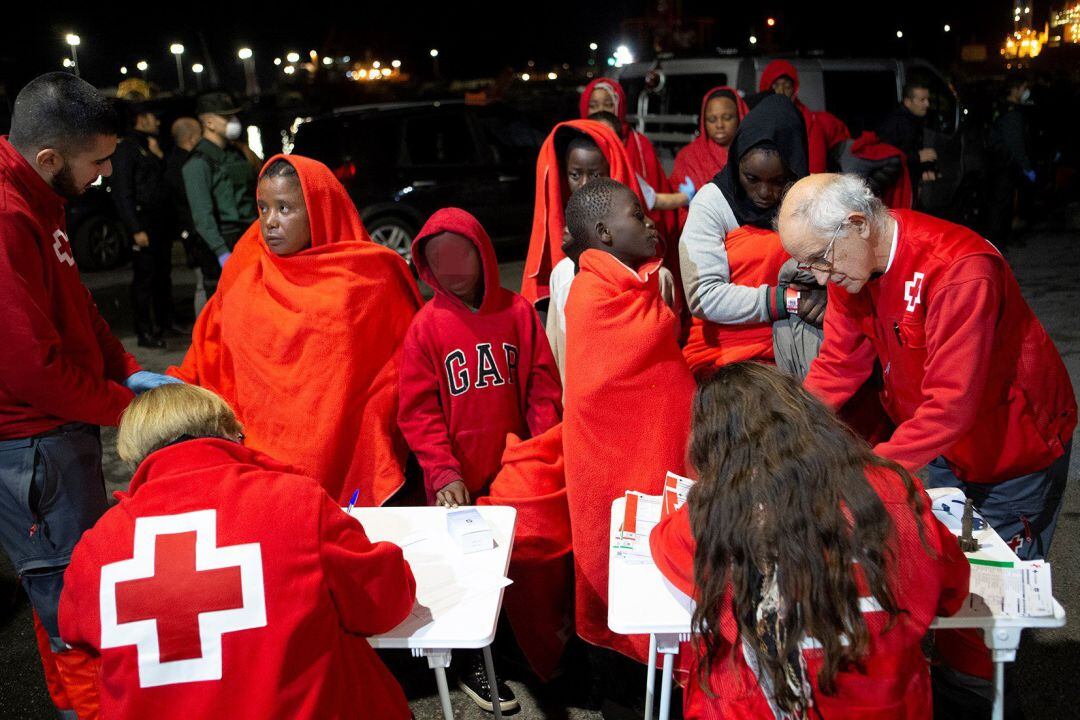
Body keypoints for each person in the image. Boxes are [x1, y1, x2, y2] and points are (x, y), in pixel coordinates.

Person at [57, 383, 416, 719]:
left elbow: (79, 659)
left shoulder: (94, 548)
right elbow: (382, 603)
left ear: (135, 457)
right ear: (229, 432)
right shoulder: (294, 502)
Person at [0, 72, 178, 718]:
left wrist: (127, 368)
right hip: (31, 450)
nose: (106, 174)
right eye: (98, 161)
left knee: (89, 586)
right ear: (49, 158)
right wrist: (128, 407)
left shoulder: (41, 197)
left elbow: (76, 308)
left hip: (60, 435)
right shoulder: (5, 214)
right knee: (70, 606)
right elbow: (32, 368)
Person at [650, 362, 970, 719]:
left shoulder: (715, 516)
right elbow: (953, 588)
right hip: (890, 703)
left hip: (766, 707)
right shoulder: (892, 490)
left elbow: (663, 543)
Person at [170, 155, 422, 507]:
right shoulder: (245, 268)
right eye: (263, 208)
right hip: (257, 462)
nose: (270, 222)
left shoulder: (368, 278)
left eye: (285, 208)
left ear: (320, 209)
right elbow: (209, 350)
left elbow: (404, 372)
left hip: (347, 459)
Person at [397, 207, 561, 712]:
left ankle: (535, 652)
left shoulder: (515, 312)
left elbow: (541, 383)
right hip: (457, 478)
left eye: (460, 254)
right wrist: (442, 470)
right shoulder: (425, 328)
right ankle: (473, 660)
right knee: (465, 572)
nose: (451, 267)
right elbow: (418, 410)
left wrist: (538, 447)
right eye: (437, 257)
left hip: (514, 465)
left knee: (527, 561)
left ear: (483, 254)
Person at [563, 176, 696, 669]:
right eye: (636, 215)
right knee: (628, 557)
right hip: (615, 455)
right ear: (603, 232)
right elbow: (599, 387)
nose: (648, 222)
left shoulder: (633, 283)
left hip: (661, 441)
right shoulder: (593, 295)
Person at [679, 94, 826, 378]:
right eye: (752, 179)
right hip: (724, 357)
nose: (764, 193)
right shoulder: (712, 203)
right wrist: (788, 300)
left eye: (778, 181)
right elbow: (703, 296)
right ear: (737, 166)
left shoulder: (808, 200)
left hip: (794, 347)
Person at [521, 119, 647, 305]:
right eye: (575, 175)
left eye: (596, 175)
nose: (584, 184)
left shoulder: (637, 226)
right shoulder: (560, 230)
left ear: (612, 172)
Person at [110, 101, 175, 348]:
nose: (157, 122)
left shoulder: (150, 146)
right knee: (145, 280)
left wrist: (159, 158)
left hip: (160, 223)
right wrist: (135, 228)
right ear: (140, 119)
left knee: (163, 274)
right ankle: (144, 331)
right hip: (143, 223)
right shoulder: (127, 149)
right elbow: (122, 193)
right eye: (152, 117)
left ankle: (165, 321)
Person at [181, 92, 257, 298]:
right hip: (227, 241)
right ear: (208, 121)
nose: (234, 122)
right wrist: (221, 252)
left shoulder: (236, 154)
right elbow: (202, 215)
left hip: (250, 236)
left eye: (233, 115)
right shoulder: (198, 163)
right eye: (227, 117)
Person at [580, 77, 676, 236]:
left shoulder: (639, 144)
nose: (601, 110)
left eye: (608, 104)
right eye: (593, 105)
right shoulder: (575, 145)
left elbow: (653, 198)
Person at [165, 116, 209, 315]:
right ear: (193, 138)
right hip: (195, 231)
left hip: (190, 230)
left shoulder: (172, 162)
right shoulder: (188, 165)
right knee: (203, 283)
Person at [986, 75, 1036, 251]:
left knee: (1004, 203)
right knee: (1001, 204)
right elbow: (1016, 144)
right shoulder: (1011, 113)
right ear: (1015, 89)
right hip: (1005, 165)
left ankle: (1002, 239)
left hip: (1002, 163)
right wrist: (1026, 167)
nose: (1025, 91)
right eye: (1023, 87)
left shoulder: (1003, 108)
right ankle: (996, 242)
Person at [671, 86, 749, 195]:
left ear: (740, 117)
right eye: (712, 120)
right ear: (704, 121)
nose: (719, 125)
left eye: (727, 118)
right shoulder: (688, 156)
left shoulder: (753, 152)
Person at [757, 60, 829, 173]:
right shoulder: (755, 119)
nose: (781, 92)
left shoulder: (808, 121)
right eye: (775, 86)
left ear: (794, 90)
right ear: (765, 87)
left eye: (787, 86)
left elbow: (816, 168)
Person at [877, 81, 938, 205]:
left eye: (928, 99)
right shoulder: (894, 124)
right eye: (922, 100)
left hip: (910, 184)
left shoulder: (916, 120)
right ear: (907, 101)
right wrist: (918, 156)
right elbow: (885, 156)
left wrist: (925, 170)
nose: (927, 104)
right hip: (897, 189)